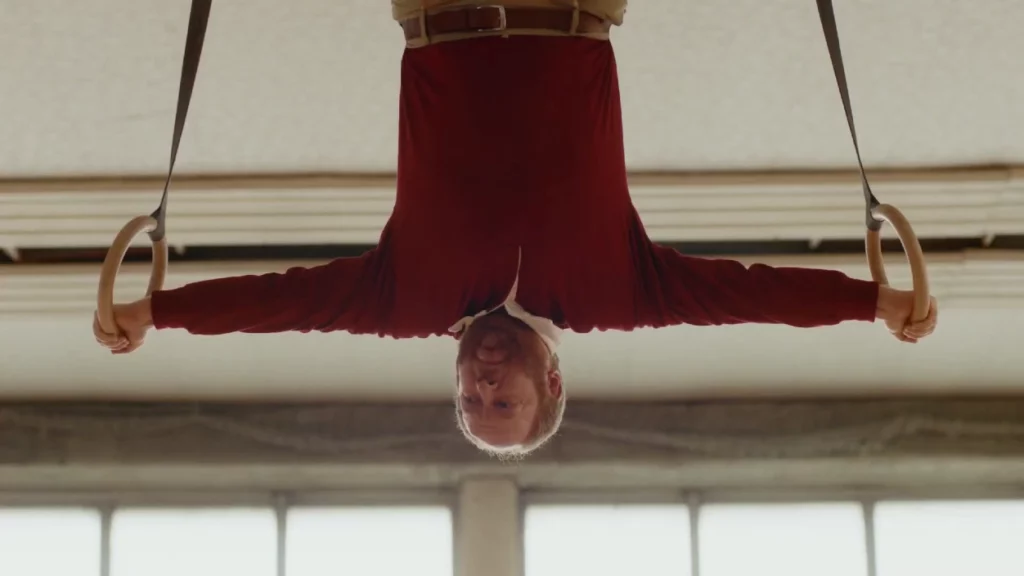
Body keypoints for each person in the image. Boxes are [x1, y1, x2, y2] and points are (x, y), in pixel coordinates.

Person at [94, 0, 938, 457]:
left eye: (472, 400)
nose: (483, 381)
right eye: (503, 399)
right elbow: (747, 297)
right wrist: (871, 301)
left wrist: (157, 312)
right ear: (554, 384)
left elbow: (281, 305)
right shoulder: (621, 295)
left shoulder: (400, 302)